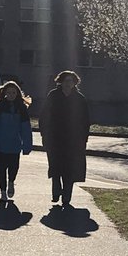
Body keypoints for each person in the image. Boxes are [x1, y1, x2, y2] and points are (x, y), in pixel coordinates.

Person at [39, 70, 90, 209]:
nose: (68, 84)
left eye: (71, 81)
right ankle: (56, 191)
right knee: (55, 167)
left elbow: (85, 120)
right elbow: (44, 115)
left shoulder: (79, 99)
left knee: (69, 169)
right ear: (60, 82)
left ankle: (66, 196)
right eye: (66, 81)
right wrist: (44, 133)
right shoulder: (53, 96)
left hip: (73, 140)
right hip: (54, 138)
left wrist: (84, 138)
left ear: (75, 83)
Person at [0, 80, 33, 203]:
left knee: (14, 167)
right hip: (1, 144)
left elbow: (26, 127)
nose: (11, 95)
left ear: (17, 94)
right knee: (1, 169)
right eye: (9, 93)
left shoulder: (21, 108)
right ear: (4, 93)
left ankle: (11, 182)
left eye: (14, 93)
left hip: (15, 144)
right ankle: (3, 192)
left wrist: (27, 145)